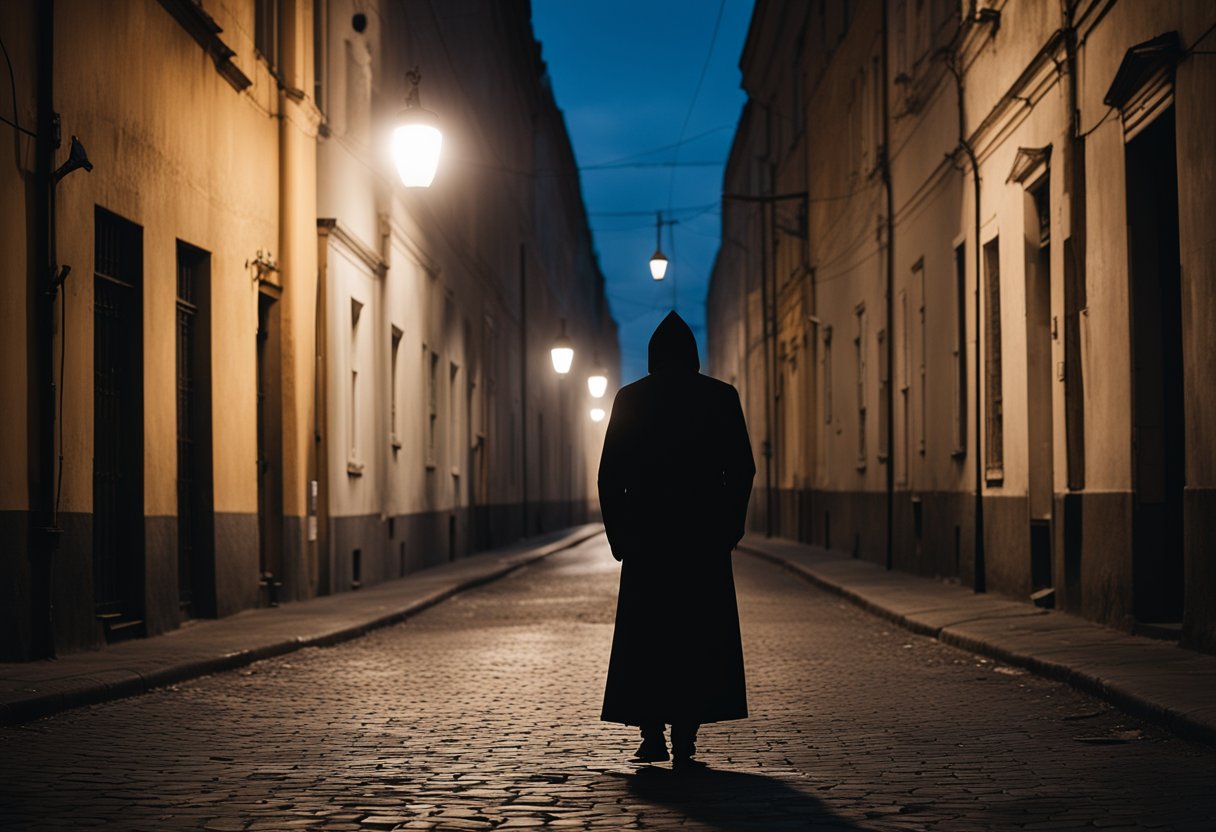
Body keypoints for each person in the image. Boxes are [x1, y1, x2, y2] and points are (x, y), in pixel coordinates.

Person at [598, 310, 755, 768]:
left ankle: (651, 734)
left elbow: (611, 475)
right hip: (701, 542)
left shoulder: (630, 399)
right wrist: (730, 525)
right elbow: (741, 469)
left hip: (648, 543)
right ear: (693, 354)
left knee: (648, 639)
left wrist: (620, 534)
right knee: (698, 637)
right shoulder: (721, 397)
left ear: (652, 356)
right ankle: (686, 734)